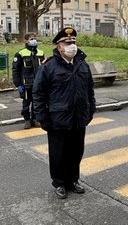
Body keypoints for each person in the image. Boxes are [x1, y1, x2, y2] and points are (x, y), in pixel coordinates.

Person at [33, 27, 96, 199]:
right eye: (67, 42)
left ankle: (73, 180)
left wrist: (91, 110)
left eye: (73, 42)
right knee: (58, 154)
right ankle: (59, 182)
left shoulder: (82, 64)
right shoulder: (48, 67)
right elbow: (38, 95)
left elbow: (89, 89)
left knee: (76, 152)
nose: (71, 45)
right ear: (59, 46)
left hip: (79, 119)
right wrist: (43, 119)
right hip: (58, 120)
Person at [12, 33, 45, 129]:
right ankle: (27, 120)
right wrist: (18, 84)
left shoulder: (40, 53)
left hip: (38, 84)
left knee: (36, 103)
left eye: (34, 38)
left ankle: (35, 120)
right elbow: (15, 70)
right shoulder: (21, 53)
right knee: (26, 104)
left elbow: (44, 69)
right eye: (31, 39)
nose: (33, 40)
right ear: (26, 40)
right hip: (26, 85)